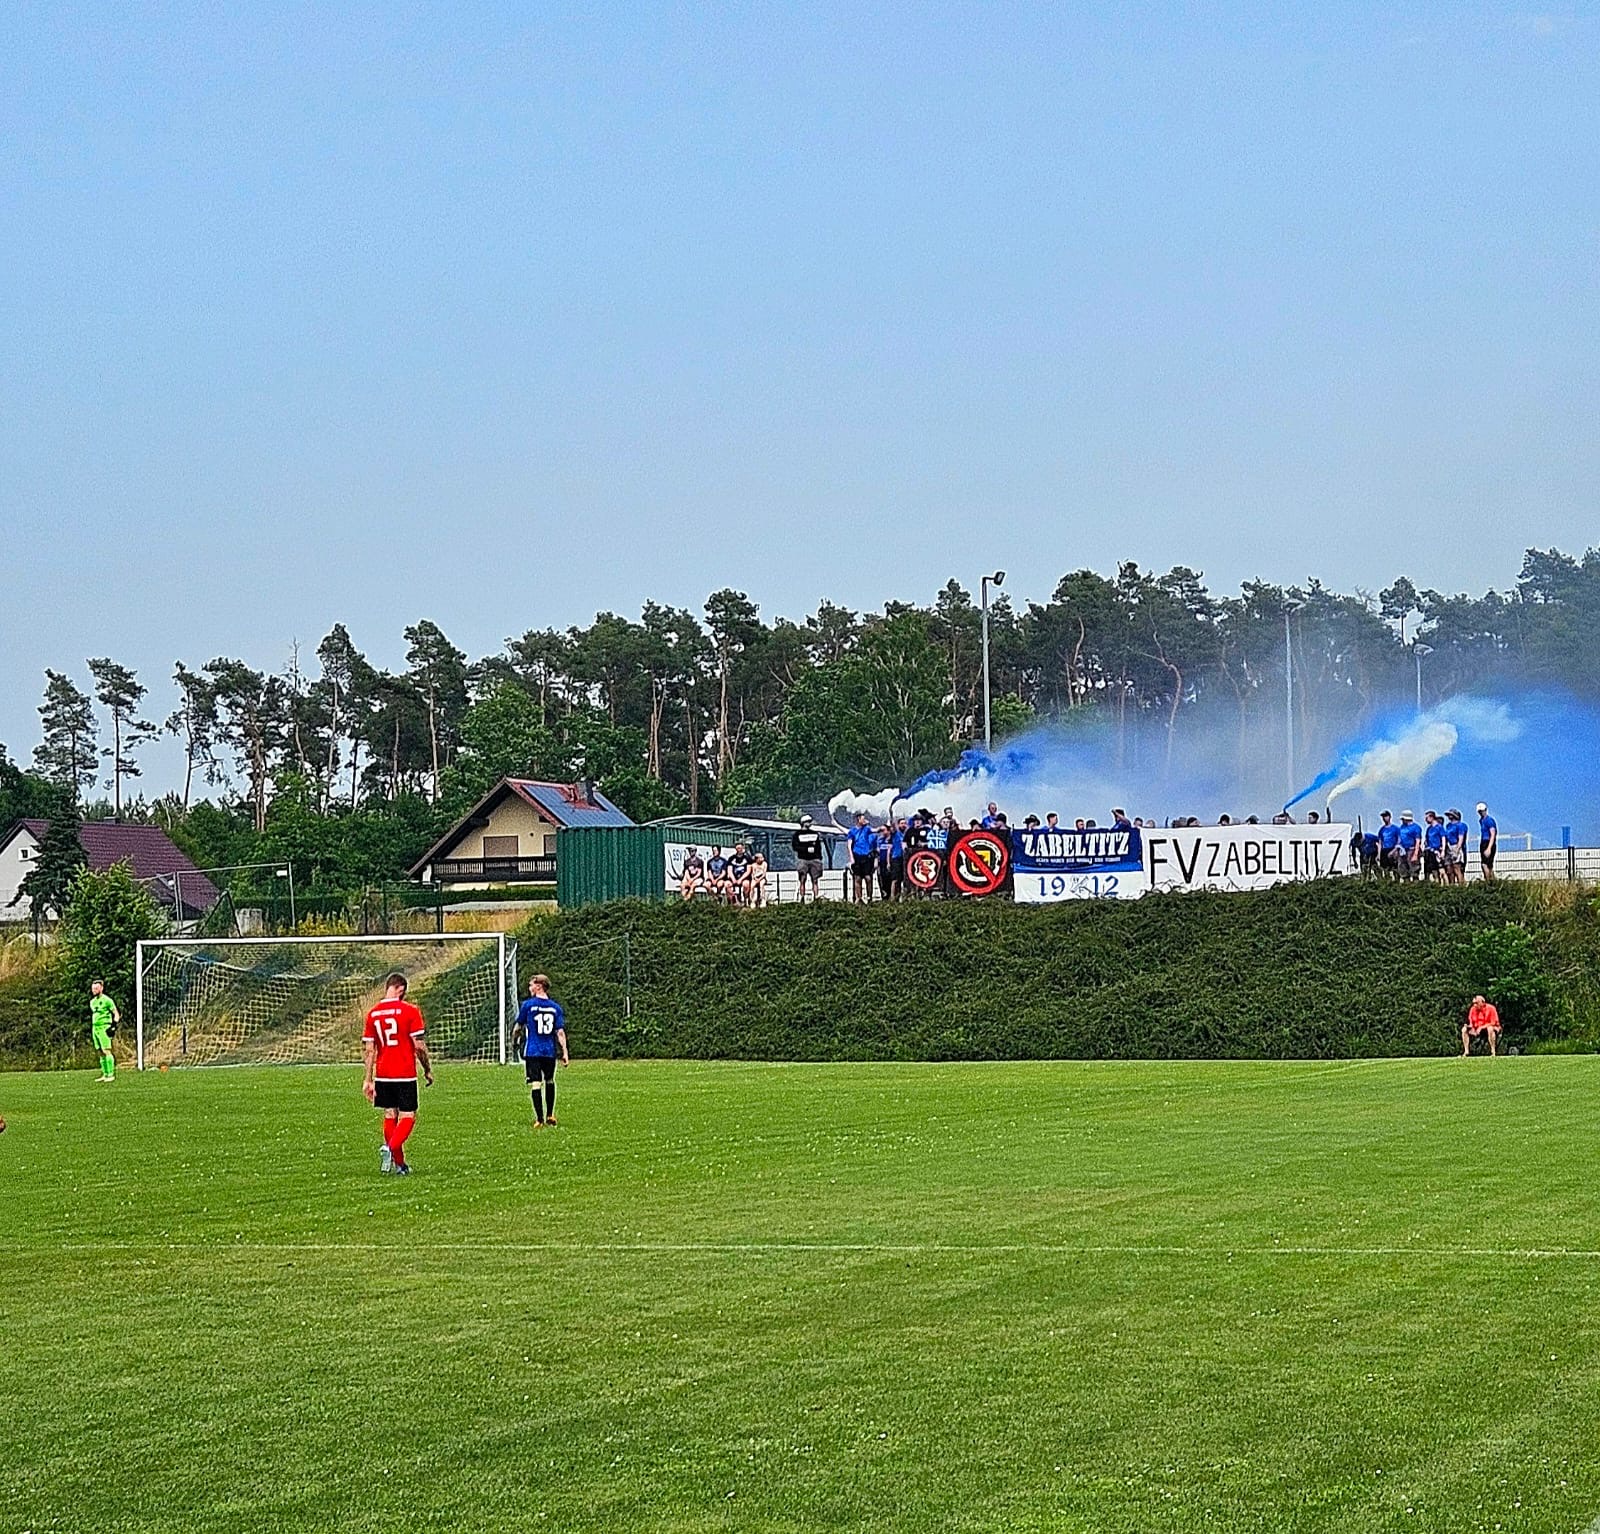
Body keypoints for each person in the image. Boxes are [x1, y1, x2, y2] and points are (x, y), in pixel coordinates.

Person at [362, 972, 433, 1175]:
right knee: (408, 1116)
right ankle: (390, 1147)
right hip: (404, 1072)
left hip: (382, 1073)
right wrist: (427, 1069)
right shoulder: (410, 1011)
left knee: (390, 1114)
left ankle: (400, 1165)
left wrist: (368, 1079)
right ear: (400, 989)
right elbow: (418, 1046)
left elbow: (369, 1049)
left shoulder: (373, 1013)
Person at [512, 974, 569, 1128]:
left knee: (536, 1084)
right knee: (550, 1080)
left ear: (539, 986)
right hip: (549, 1051)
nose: (529, 988)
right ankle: (550, 1114)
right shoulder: (555, 1007)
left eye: (531, 985)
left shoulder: (528, 1005)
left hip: (533, 1051)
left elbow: (518, 1027)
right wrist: (565, 1052)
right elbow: (560, 1032)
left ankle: (539, 1120)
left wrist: (514, 1040)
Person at [89, 980, 120, 1083]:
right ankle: (105, 1074)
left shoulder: (107, 1000)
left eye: (96, 988)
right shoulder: (92, 1002)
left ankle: (111, 1074)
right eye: (93, 988)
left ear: (101, 988)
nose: (94, 990)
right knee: (100, 1052)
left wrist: (113, 1026)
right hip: (95, 1028)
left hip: (104, 1027)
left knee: (106, 1050)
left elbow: (116, 1013)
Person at [791, 815, 825, 903]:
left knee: (815, 880)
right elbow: (795, 847)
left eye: (810, 821)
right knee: (802, 879)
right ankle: (802, 898)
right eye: (807, 822)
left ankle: (816, 897)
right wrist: (806, 849)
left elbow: (818, 847)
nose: (809, 823)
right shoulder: (797, 834)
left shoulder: (815, 833)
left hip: (814, 859)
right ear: (803, 823)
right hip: (803, 859)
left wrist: (819, 858)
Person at [847, 812, 878, 904]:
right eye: (862, 819)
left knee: (868, 877)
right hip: (857, 856)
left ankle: (869, 897)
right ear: (858, 819)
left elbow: (875, 830)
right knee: (857, 878)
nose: (864, 820)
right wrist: (851, 858)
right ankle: (858, 898)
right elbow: (849, 845)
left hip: (866, 856)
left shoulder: (867, 829)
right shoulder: (852, 831)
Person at [875, 820, 905, 902]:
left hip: (903, 859)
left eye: (905, 823)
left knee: (900, 880)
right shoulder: (895, 834)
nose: (904, 825)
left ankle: (898, 897)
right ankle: (891, 898)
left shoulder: (905, 834)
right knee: (893, 880)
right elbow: (887, 851)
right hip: (894, 859)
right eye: (901, 823)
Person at [1443, 809, 1469, 885]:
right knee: (1449, 869)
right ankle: (1452, 885)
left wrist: (1457, 849)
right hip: (1448, 846)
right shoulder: (1448, 826)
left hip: (1456, 846)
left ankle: (1461, 886)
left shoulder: (1460, 825)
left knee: (1457, 868)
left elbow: (1461, 837)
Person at [1396, 811, 1422, 880]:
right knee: (1403, 869)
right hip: (1403, 850)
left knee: (1414, 869)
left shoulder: (1416, 827)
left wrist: (1415, 854)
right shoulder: (1402, 827)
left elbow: (1418, 841)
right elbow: (1400, 839)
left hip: (1412, 849)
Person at [1477, 801, 1498, 881]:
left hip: (1488, 842)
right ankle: (1492, 881)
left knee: (1485, 864)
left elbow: (1493, 834)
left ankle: (1488, 881)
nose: (1481, 813)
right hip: (1483, 841)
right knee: (1488, 865)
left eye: (1482, 811)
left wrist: (1489, 847)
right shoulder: (1481, 821)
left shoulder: (1489, 820)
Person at [1376, 811, 1400, 877]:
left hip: (1393, 849)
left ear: (1390, 817)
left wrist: (1395, 850)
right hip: (1384, 850)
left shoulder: (1396, 828)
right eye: (1383, 817)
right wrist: (1378, 854)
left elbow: (1399, 841)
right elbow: (1380, 843)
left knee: (1395, 869)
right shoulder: (1381, 830)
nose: (1384, 818)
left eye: (1386, 816)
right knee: (1385, 869)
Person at [1422, 812, 1445, 882]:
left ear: (1431, 817)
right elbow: (1426, 839)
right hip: (1429, 850)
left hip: (1436, 850)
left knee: (1437, 869)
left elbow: (1443, 838)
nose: (1425, 820)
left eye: (1427, 818)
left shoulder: (1439, 827)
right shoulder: (1429, 829)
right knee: (1428, 869)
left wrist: (1443, 850)